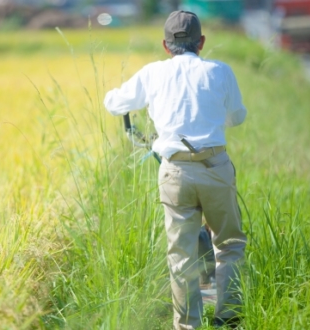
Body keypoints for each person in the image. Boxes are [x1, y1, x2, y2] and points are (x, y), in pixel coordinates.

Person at [103, 10, 247, 330]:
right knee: (229, 244)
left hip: (174, 172)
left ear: (166, 46)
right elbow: (236, 117)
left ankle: (187, 327)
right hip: (215, 167)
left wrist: (119, 98)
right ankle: (229, 319)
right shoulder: (220, 71)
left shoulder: (152, 73)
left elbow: (114, 103)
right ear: (202, 42)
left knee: (181, 256)